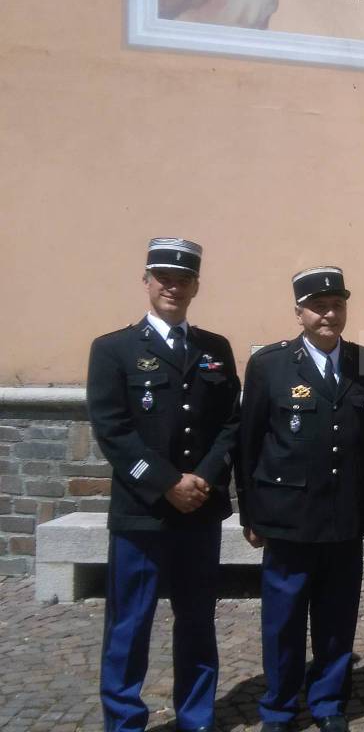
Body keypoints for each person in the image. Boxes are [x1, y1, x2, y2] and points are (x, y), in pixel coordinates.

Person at [87, 237, 240, 732]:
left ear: (196, 285)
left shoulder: (214, 349)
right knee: (130, 625)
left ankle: (196, 717)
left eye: (184, 279)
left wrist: (205, 479)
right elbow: (113, 431)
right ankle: (125, 721)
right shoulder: (113, 350)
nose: (173, 287)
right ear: (147, 280)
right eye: (164, 278)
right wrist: (167, 482)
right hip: (142, 512)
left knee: (197, 621)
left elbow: (229, 425)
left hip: (199, 510)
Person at [238, 267, 364, 732]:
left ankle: (327, 703)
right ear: (298, 311)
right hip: (287, 517)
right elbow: (249, 442)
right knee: (283, 620)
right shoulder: (270, 365)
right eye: (318, 306)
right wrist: (251, 511)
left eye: (337, 304)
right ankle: (278, 707)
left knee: (337, 619)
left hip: (343, 517)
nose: (328, 314)